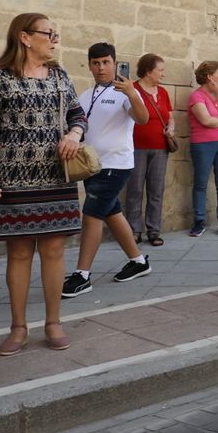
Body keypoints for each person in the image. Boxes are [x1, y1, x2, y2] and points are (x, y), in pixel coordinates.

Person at [0, 13, 86, 355]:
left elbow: (78, 114)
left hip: (56, 178)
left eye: (57, 33)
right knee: (19, 253)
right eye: (49, 33)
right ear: (25, 37)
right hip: (13, 181)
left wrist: (74, 133)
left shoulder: (59, 75)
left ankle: (54, 322)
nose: (55, 39)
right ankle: (18, 327)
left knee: (53, 251)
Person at [62, 43, 152, 299]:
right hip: (91, 165)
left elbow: (143, 119)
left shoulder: (125, 93)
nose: (101, 67)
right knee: (111, 212)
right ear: (89, 65)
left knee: (91, 215)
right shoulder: (86, 94)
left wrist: (133, 93)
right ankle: (138, 261)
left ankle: (82, 275)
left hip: (115, 165)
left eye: (105, 62)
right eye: (95, 63)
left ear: (115, 63)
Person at [124, 53, 174, 247]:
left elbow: (170, 116)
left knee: (156, 190)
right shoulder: (133, 89)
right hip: (135, 147)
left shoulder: (162, 92)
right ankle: (134, 231)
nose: (163, 73)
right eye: (159, 70)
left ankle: (154, 230)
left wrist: (171, 127)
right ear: (147, 71)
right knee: (135, 190)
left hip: (160, 148)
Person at [188, 60, 218, 237]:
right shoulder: (196, 96)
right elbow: (206, 120)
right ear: (210, 77)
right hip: (202, 144)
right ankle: (199, 221)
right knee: (200, 184)